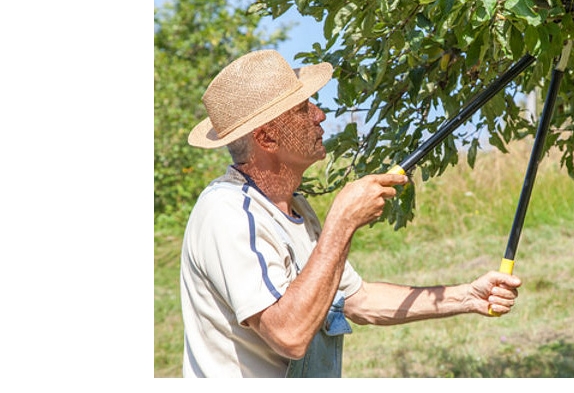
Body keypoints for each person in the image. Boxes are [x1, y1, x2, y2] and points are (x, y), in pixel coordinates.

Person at [180, 49, 522, 378]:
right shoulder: (227, 213)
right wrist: (342, 223)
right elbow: (288, 335)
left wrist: (468, 296)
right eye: (302, 108)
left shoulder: (295, 208)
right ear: (267, 138)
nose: (319, 115)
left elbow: (359, 300)